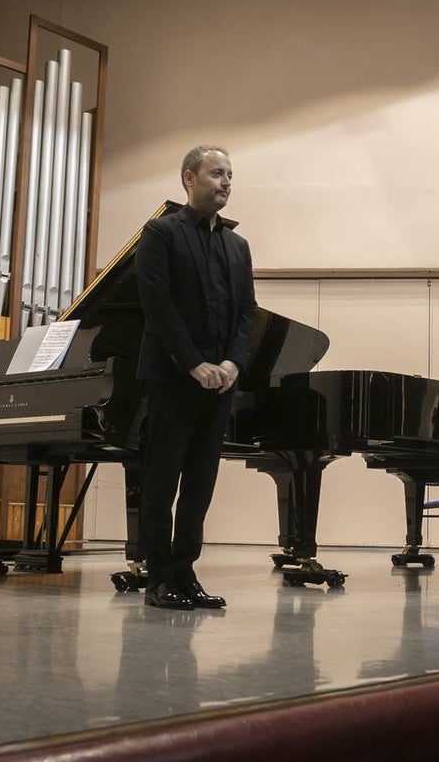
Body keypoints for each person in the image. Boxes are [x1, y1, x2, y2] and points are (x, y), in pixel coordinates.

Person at [131, 145, 257, 610]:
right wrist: (192, 362)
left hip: (220, 382)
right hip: (171, 378)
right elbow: (157, 304)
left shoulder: (237, 245)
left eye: (230, 175)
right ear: (189, 178)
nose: (226, 182)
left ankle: (185, 573)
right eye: (217, 173)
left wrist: (233, 364)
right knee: (162, 480)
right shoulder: (161, 232)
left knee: (201, 482)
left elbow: (247, 312)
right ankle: (159, 578)